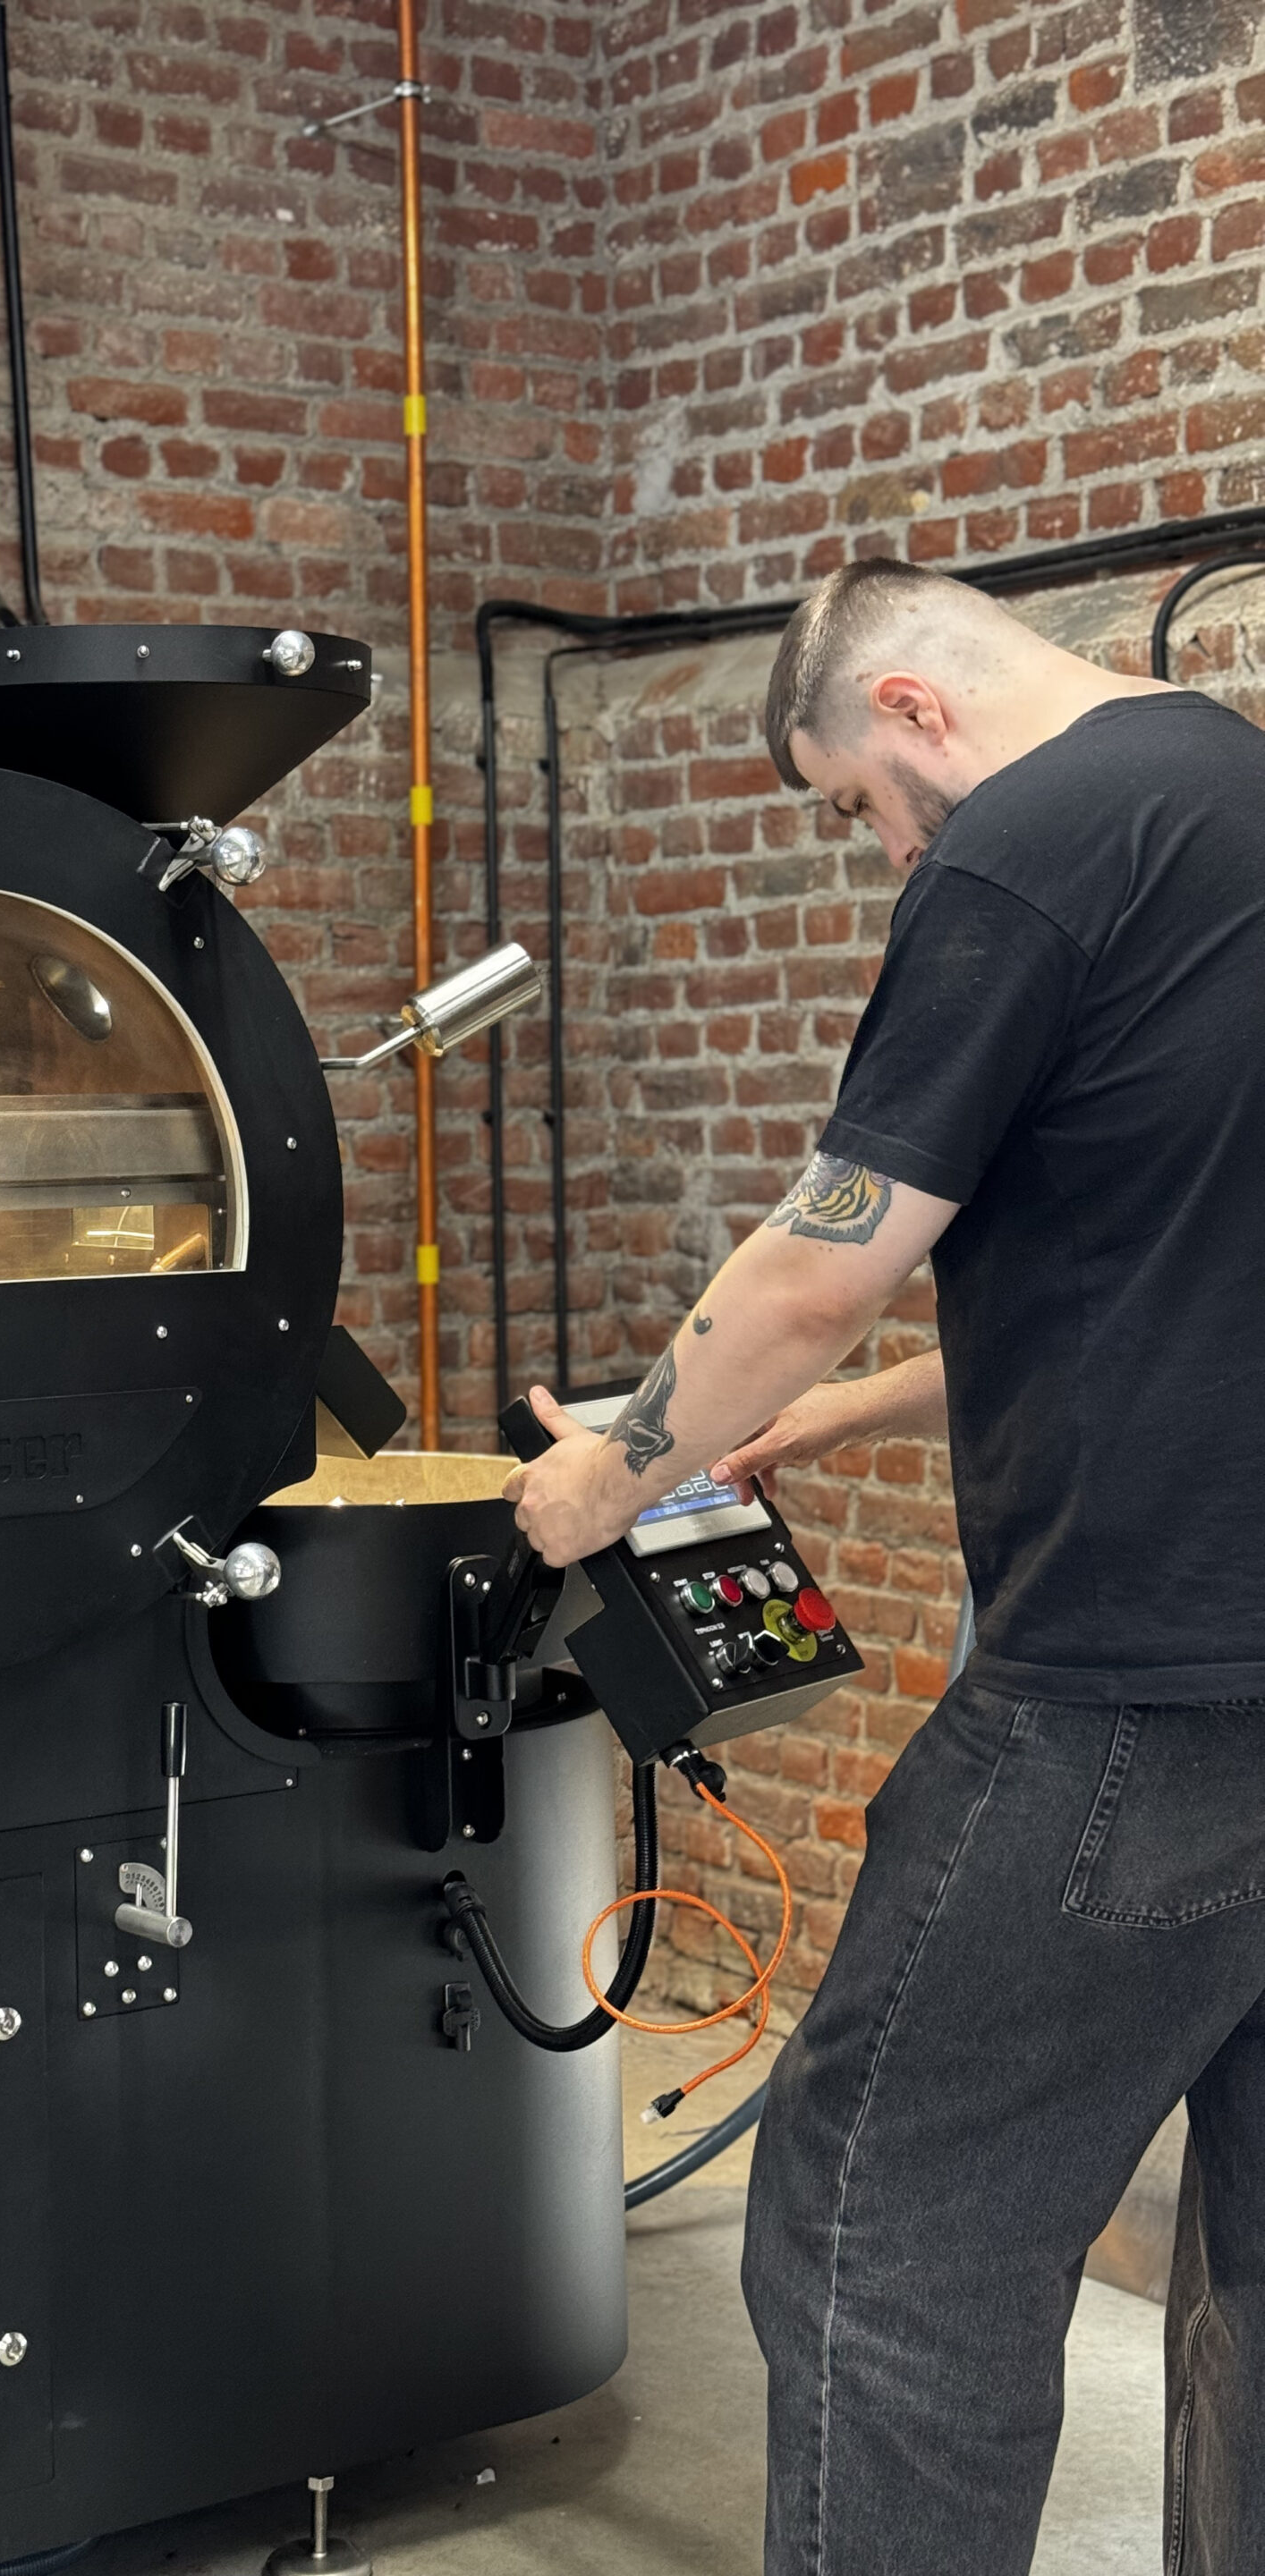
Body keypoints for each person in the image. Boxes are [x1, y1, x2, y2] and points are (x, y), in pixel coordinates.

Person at [505, 555, 1265, 2576]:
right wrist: (823, 1427)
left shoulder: (1029, 845)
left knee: (881, 2221)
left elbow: (820, 1259)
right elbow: (1165, 1276)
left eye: (860, 804)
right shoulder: (1238, 811)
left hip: (1144, 1688)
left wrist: (612, 1476)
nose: (885, 849)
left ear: (914, 710)